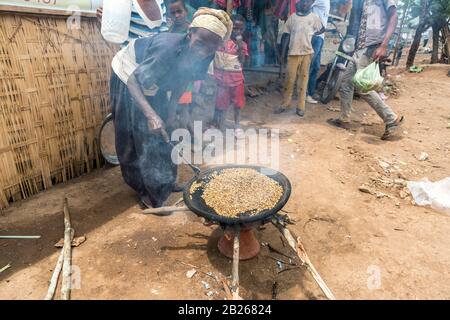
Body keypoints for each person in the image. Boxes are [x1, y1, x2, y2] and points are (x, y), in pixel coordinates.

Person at [109, 8, 232, 208]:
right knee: (139, 134)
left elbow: (184, 78)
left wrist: (171, 111)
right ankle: (147, 192)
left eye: (211, 47)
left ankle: (165, 182)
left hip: (155, 80)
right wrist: (151, 115)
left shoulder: (207, 53)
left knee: (168, 128)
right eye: (200, 43)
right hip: (128, 75)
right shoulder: (167, 48)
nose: (203, 51)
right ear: (190, 33)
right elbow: (134, 80)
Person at [327, 0, 404, 140]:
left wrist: (384, 45)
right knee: (346, 82)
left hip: (372, 46)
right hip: (360, 47)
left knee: (362, 85)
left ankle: (391, 119)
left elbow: (393, 16)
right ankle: (344, 118)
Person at [274, 0, 324, 117]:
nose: (305, 4)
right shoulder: (292, 18)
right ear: (300, 3)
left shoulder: (314, 17)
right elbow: (286, 35)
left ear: (311, 5)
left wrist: (312, 36)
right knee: (289, 81)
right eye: (304, 2)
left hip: (306, 54)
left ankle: (301, 107)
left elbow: (322, 29)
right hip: (293, 54)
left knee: (303, 81)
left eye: (308, 2)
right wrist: (282, 53)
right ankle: (284, 104)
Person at [212, 14, 249, 138]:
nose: (237, 31)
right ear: (229, 28)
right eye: (234, 28)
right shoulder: (221, 42)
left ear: (243, 30)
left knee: (237, 105)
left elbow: (243, 62)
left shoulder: (242, 45)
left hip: (236, 80)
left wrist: (239, 47)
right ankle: (217, 125)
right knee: (220, 104)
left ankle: (237, 126)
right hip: (222, 80)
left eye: (240, 29)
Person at [97, 0, 168, 44]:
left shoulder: (160, 3)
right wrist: (103, 20)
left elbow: (164, 33)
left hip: (151, 61)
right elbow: (110, 34)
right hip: (128, 63)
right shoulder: (121, 3)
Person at [306, 0, 330, 104]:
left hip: (320, 36)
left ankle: (310, 93)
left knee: (316, 67)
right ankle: (305, 94)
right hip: (315, 35)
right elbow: (306, 4)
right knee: (310, 65)